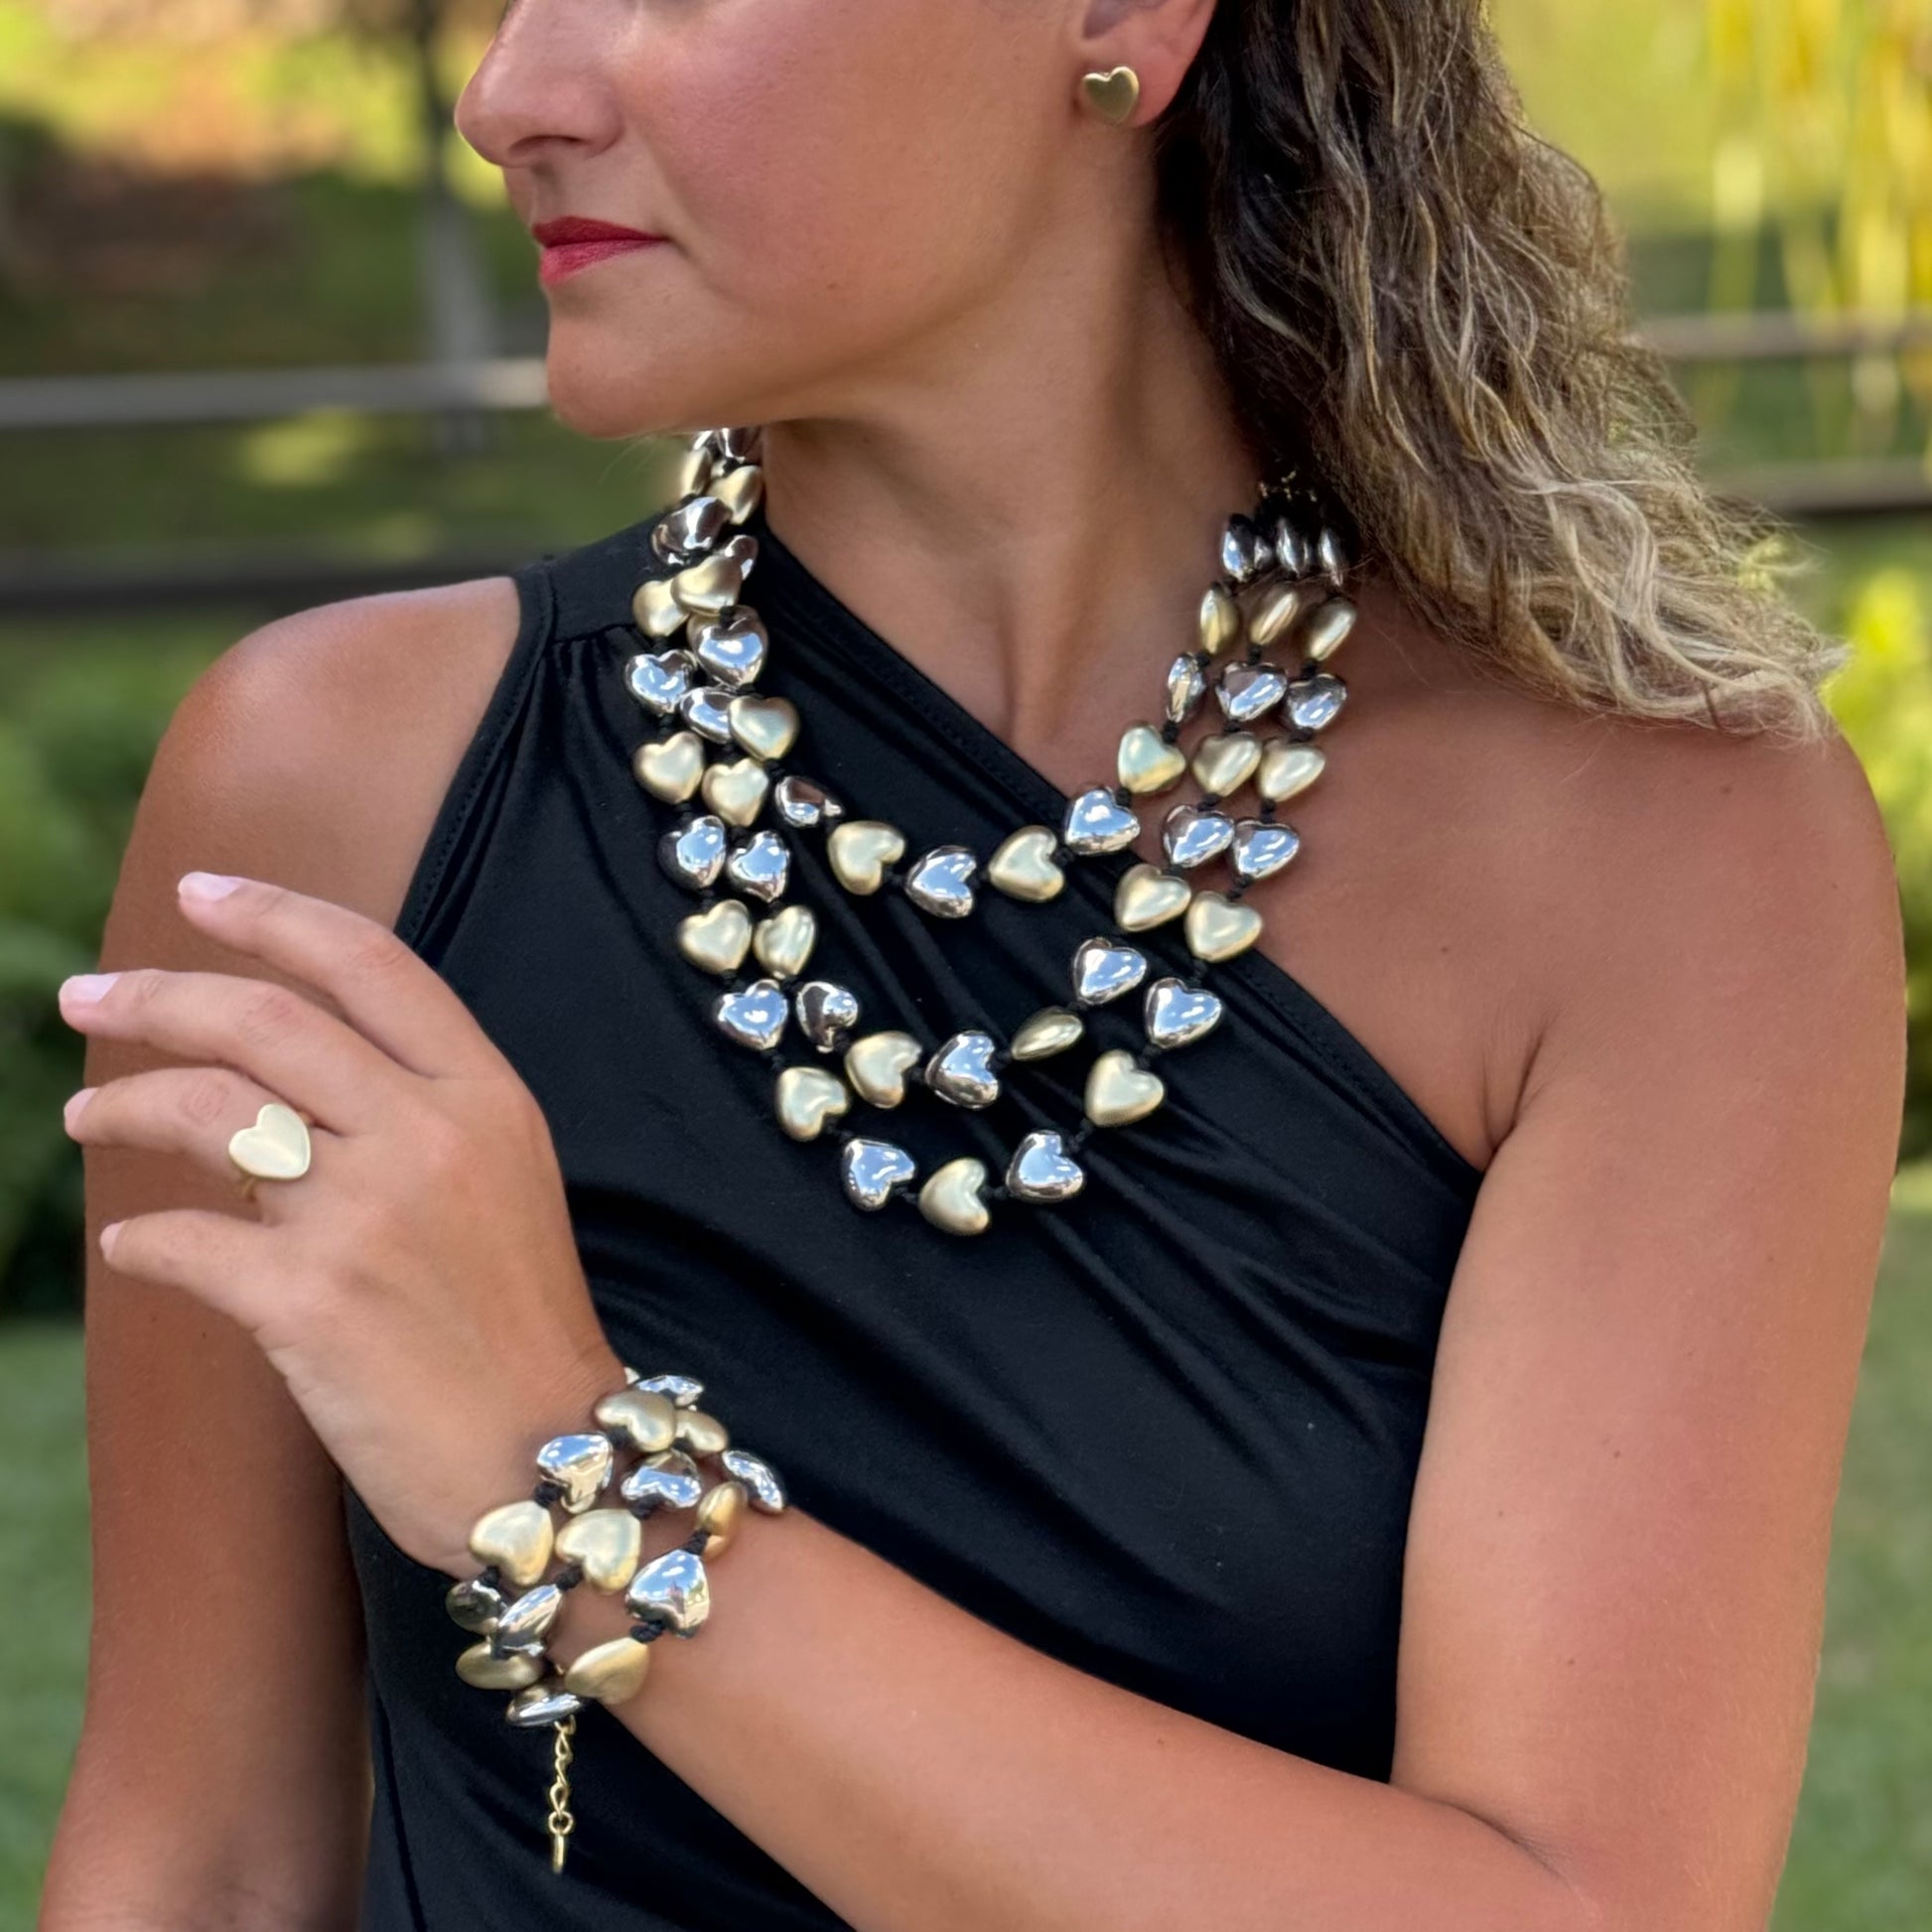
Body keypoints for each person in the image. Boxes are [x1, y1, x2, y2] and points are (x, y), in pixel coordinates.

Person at [39, 0, 1907, 1927]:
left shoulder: (1662, 858)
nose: (511, 95)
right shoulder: (340, 797)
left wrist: (572, 1476)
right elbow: (203, 1868)